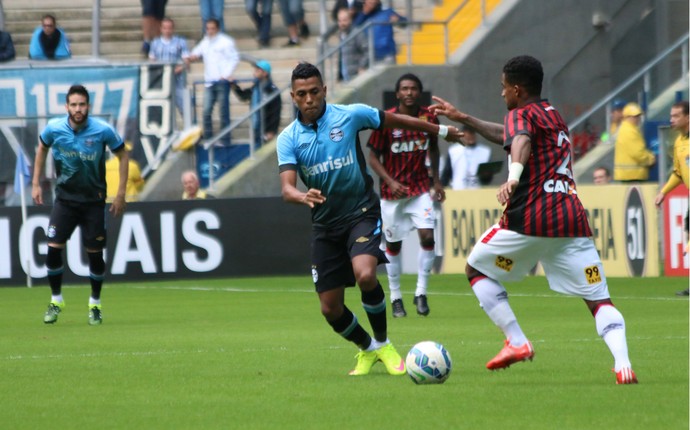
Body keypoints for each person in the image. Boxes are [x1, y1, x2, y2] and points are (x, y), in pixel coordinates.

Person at [431, 55, 638, 384]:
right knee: (599, 300)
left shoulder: (520, 114)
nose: (502, 95)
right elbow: (511, 136)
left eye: (503, 88)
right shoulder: (552, 115)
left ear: (516, 88)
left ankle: (516, 340)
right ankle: (623, 364)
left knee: (475, 268)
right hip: (571, 220)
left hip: (531, 217)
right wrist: (465, 118)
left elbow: (520, 142)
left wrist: (513, 176)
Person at [277, 63, 461, 376]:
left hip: (361, 212)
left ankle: (384, 342)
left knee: (365, 274)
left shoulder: (349, 115)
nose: (309, 99)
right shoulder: (289, 138)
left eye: (314, 91)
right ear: (294, 97)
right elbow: (287, 188)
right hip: (324, 225)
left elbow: (398, 120)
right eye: (302, 94)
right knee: (330, 308)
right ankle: (369, 349)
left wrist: (441, 130)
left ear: (324, 90)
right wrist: (300, 196)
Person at [31, 84, 128, 326]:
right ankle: (56, 300)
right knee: (53, 249)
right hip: (64, 201)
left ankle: (95, 304)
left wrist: (120, 194)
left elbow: (123, 155)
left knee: (94, 256)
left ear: (88, 106)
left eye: (82, 104)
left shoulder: (102, 130)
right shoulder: (54, 128)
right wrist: (35, 182)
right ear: (67, 107)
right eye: (73, 105)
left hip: (93, 203)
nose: (78, 109)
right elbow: (42, 148)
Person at [366, 73, 443, 318]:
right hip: (392, 194)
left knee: (427, 236)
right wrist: (390, 181)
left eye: (413, 89)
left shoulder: (428, 117)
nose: (409, 92)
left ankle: (421, 293)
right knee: (393, 245)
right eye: (404, 89)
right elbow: (373, 157)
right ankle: (396, 297)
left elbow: (434, 148)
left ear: (419, 92)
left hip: (420, 189)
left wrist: (437, 181)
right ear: (398, 93)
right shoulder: (387, 119)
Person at [185, 19, 240, 145]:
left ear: (218, 29)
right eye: (208, 28)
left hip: (221, 81)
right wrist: (190, 57)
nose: (209, 31)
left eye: (212, 28)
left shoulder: (226, 42)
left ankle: (225, 139)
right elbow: (196, 52)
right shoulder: (206, 41)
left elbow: (234, 58)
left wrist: (225, 75)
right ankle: (209, 138)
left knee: (223, 111)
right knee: (206, 111)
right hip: (209, 81)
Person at [654, 100, 689, 296]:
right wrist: (663, 192)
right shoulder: (679, 142)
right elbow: (678, 172)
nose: (671, 119)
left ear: (688, 117)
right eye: (671, 115)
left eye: (676, 115)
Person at [230, 60, 281, 146]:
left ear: (265, 73)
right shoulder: (256, 88)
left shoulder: (272, 90)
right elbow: (243, 96)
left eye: (258, 70)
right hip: (256, 126)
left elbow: (276, 111)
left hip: (266, 128)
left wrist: (272, 131)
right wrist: (234, 85)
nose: (255, 72)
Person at [148, 17, 190, 116]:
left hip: (178, 81)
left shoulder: (181, 42)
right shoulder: (155, 43)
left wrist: (177, 70)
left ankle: (188, 129)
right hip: (161, 81)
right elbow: (151, 61)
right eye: (165, 28)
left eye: (169, 28)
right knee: (163, 108)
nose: (167, 30)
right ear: (161, 29)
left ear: (173, 29)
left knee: (184, 108)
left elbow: (186, 61)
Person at [353, 0, 406, 64]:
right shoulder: (362, 16)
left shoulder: (387, 12)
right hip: (369, 55)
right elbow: (354, 29)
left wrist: (399, 20)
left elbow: (405, 23)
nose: (371, 2)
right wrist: (364, 13)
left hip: (387, 55)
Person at [613, 102, 655, 182]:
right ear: (626, 117)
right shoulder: (629, 131)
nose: (638, 118)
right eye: (635, 116)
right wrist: (651, 159)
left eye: (639, 116)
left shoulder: (629, 129)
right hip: (632, 176)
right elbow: (638, 153)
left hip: (630, 175)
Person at [441, 125, 492, 190]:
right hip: (458, 190)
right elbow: (446, 174)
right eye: (468, 134)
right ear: (462, 135)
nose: (471, 136)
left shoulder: (485, 151)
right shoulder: (453, 151)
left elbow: (487, 180)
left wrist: (486, 175)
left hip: (478, 191)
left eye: (472, 133)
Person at [336, 7, 368, 82]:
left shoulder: (357, 33)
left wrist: (362, 66)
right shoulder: (341, 34)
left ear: (350, 20)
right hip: (345, 74)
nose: (342, 23)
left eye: (344, 20)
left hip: (356, 74)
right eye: (340, 21)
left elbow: (367, 50)